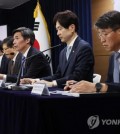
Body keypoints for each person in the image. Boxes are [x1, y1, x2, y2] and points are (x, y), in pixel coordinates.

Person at [21, 10, 94, 87]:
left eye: (60, 29)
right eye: (57, 30)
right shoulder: (63, 52)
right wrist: (37, 80)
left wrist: (52, 83)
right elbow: (58, 75)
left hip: (80, 95)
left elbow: (77, 76)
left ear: (72, 28)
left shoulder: (84, 48)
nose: (58, 33)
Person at [64, 10, 120, 93]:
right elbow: (110, 85)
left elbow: (105, 87)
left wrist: (96, 86)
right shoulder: (113, 57)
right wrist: (82, 85)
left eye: (105, 34)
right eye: (100, 35)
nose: (102, 40)